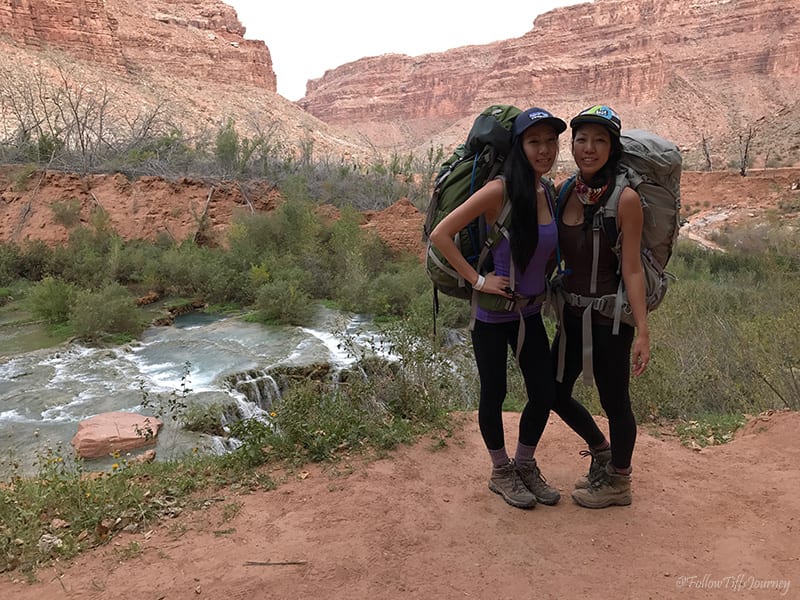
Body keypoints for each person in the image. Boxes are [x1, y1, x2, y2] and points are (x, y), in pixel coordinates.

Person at [429, 107, 566, 509]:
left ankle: (524, 464)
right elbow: (441, 234)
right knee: (495, 392)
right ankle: (500, 471)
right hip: (491, 313)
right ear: (519, 146)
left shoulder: (548, 192)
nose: (544, 150)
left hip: (529, 312)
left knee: (543, 392)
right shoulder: (499, 190)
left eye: (550, 141)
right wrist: (478, 280)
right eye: (534, 141)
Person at [550, 104, 650, 508]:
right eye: (582, 139)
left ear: (612, 148)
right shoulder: (564, 192)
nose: (589, 148)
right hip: (571, 316)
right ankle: (602, 451)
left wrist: (643, 331)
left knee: (615, 402)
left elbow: (633, 269)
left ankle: (619, 482)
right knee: (552, 392)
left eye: (599, 140)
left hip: (611, 321)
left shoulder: (625, 199)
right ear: (572, 144)